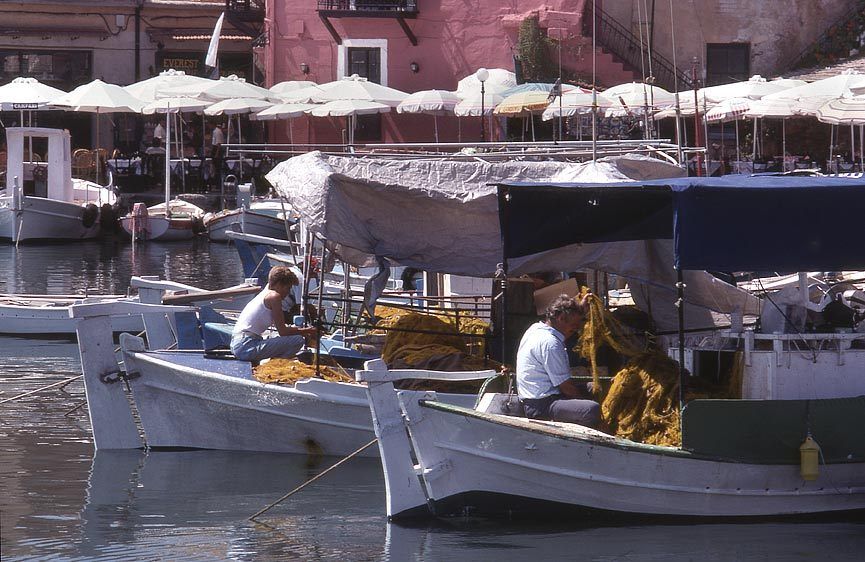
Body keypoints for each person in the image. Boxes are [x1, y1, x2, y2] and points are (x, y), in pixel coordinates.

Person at [515, 293, 602, 428]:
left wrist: (579, 308)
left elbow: (570, 315)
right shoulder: (550, 343)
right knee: (591, 409)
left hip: (544, 397)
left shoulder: (536, 328)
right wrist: (583, 403)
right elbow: (567, 388)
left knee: (594, 386)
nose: (577, 328)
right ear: (561, 318)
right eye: (574, 325)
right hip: (541, 405)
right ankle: (584, 439)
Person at [230, 266, 318, 363]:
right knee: (298, 340)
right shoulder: (274, 297)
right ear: (279, 285)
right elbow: (283, 331)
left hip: (239, 343)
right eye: (288, 288)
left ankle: (275, 362)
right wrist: (308, 330)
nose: (288, 292)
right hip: (246, 346)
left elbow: (281, 331)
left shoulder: (266, 292)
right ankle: (277, 364)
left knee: (281, 337)